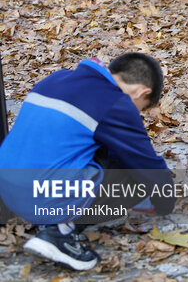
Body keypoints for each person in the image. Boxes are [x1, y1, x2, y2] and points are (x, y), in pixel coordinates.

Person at [0, 53, 175, 270]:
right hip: (39, 199)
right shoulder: (115, 102)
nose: (136, 114)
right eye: (141, 108)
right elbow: (147, 166)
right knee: (133, 176)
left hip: (7, 191)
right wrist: (166, 204)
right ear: (141, 91)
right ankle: (60, 232)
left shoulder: (55, 79)